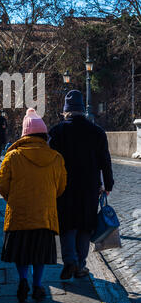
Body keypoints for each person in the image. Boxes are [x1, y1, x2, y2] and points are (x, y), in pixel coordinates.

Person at [0, 108, 67, 302]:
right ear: (44, 135)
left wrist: (12, 198)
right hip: (45, 216)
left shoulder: (13, 156)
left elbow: (1, 183)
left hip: (19, 214)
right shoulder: (56, 158)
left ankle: (23, 280)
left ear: (24, 134)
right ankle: (37, 285)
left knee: (21, 252)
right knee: (39, 253)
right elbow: (61, 187)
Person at [49, 90, 114, 280]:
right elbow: (105, 161)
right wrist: (108, 184)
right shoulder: (97, 132)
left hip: (64, 186)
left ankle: (70, 260)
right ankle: (80, 265)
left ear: (65, 111)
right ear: (82, 110)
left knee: (67, 224)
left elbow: (50, 162)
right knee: (85, 226)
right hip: (89, 187)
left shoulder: (56, 132)